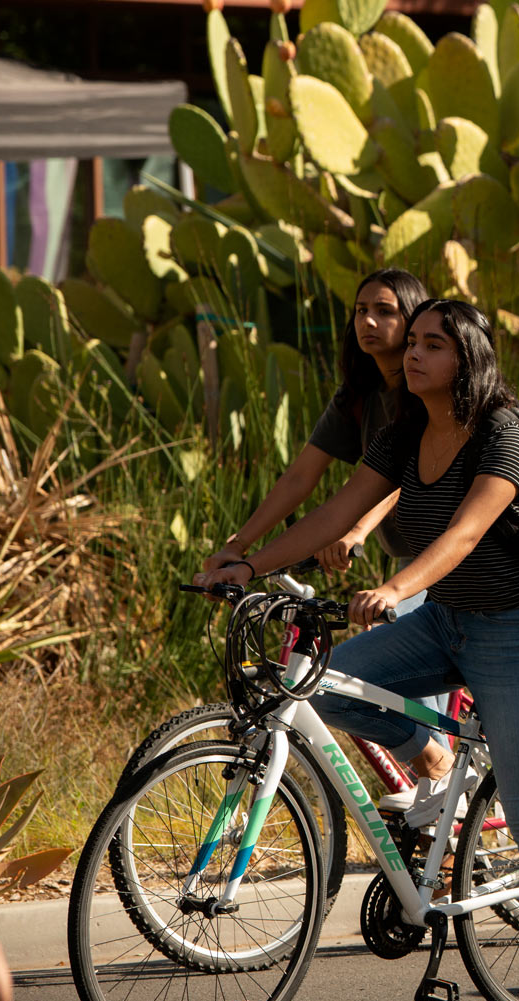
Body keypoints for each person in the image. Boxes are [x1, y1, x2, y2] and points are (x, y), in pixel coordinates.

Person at [203, 299, 519, 1001]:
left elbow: (465, 532)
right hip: (446, 622)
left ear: (468, 359)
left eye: (434, 344)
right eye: (412, 342)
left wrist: (395, 587)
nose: (414, 354)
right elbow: (332, 511)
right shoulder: (406, 430)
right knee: (325, 681)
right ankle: (436, 765)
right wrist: (250, 561)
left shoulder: (506, 440)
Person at [192, 267, 446, 818]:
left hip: (444, 563)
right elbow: (300, 479)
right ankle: (440, 796)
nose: (369, 322)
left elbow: (400, 479)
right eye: (360, 311)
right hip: (404, 557)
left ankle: (444, 789)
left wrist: (356, 532)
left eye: (385, 311)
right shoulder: (358, 395)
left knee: (399, 663)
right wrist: (238, 548)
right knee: (341, 683)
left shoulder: (426, 390)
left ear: (416, 320)